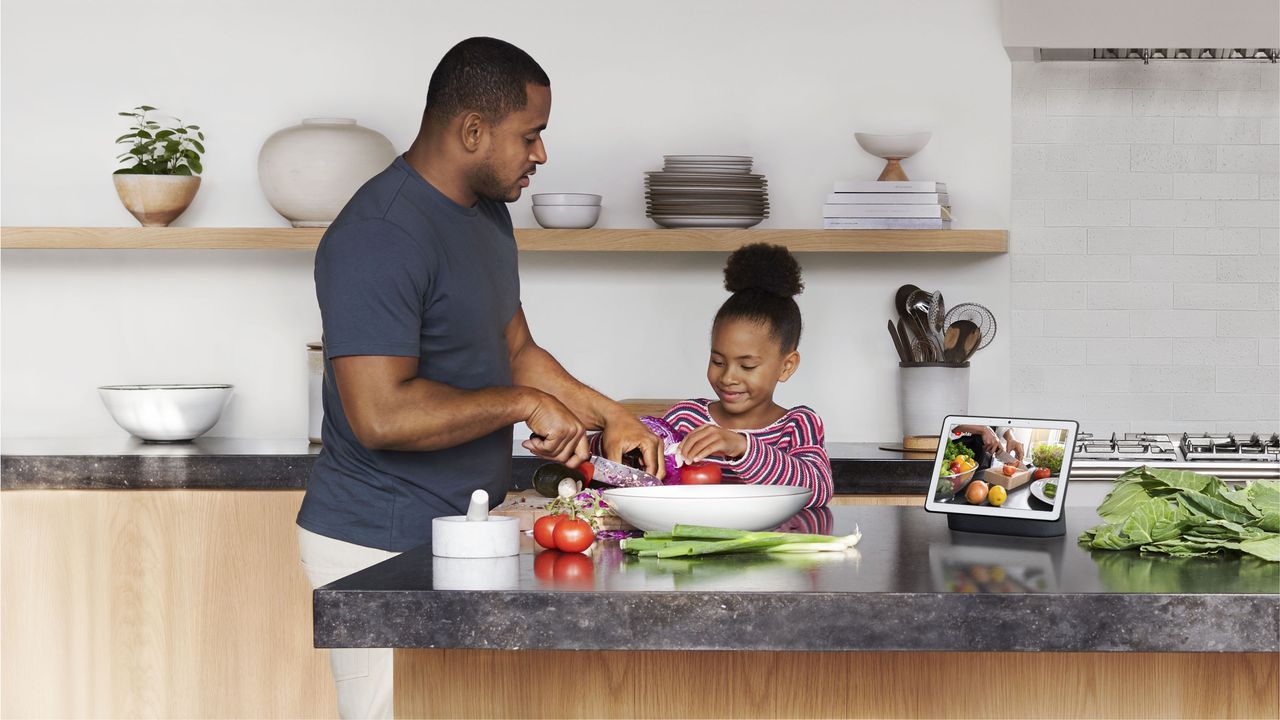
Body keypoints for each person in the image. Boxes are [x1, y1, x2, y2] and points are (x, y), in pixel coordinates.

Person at [295, 37, 663, 719]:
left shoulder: (486, 214)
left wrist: (609, 414)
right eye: (532, 135)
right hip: (377, 539)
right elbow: (381, 414)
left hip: (462, 530)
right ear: (472, 130)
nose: (541, 155)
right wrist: (525, 405)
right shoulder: (380, 233)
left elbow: (515, 345)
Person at [660, 243, 834, 508]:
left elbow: (818, 490)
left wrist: (742, 447)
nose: (728, 377)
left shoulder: (797, 425)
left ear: (786, 366)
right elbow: (646, 477)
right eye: (718, 361)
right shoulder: (685, 419)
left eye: (747, 366)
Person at [951, 424, 1025, 470]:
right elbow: (952, 424)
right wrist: (983, 429)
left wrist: (1011, 438)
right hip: (957, 457)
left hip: (984, 456)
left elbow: (999, 420)